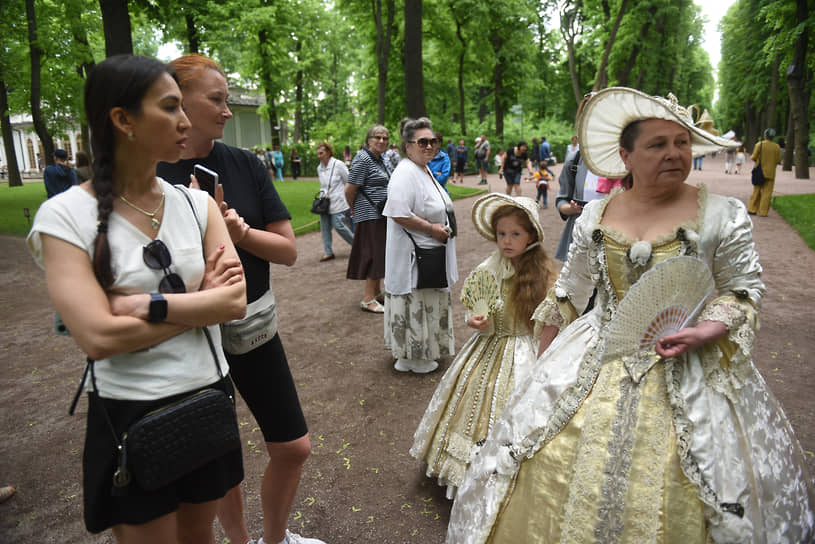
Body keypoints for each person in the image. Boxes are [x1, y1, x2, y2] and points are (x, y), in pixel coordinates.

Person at [447, 87, 814, 544]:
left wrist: (708, 327)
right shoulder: (595, 216)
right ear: (626, 156)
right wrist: (539, 371)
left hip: (690, 361)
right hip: (596, 353)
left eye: (682, 142)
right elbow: (567, 295)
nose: (674, 153)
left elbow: (744, 290)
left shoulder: (721, 214)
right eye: (658, 145)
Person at [26, 54, 247, 543]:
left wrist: (151, 306)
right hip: (132, 413)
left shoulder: (198, 203)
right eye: (170, 107)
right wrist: (201, 302)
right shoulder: (65, 218)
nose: (185, 120)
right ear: (123, 120)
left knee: (200, 538)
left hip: (207, 396)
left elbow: (234, 303)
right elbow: (100, 336)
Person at [156, 54, 323, 544]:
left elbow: (289, 251)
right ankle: (241, 541)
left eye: (227, 100)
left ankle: (274, 540)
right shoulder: (152, 173)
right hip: (191, 338)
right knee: (219, 458)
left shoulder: (243, 164)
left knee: (294, 447)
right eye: (217, 99)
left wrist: (239, 231)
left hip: (252, 327)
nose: (227, 111)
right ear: (178, 99)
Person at [410, 193, 554, 497]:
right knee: (475, 398)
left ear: (530, 235)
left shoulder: (543, 275)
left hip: (525, 350)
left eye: (515, 233)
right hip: (488, 347)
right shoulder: (489, 268)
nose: (507, 240)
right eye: (502, 233)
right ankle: (467, 472)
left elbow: (550, 320)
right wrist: (472, 320)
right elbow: (474, 308)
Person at [383, 117, 457, 374]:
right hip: (415, 256)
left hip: (429, 251)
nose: (429, 146)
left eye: (433, 141)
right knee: (416, 299)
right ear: (408, 146)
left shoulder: (423, 169)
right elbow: (398, 212)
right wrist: (431, 228)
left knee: (424, 299)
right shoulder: (405, 173)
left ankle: (419, 352)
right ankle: (414, 356)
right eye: (422, 142)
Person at [346, 124, 392, 314]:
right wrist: (354, 209)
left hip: (382, 213)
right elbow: (349, 190)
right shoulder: (363, 159)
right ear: (368, 140)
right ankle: (368, 298)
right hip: (370, 214)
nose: (381, 141)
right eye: (377, 137)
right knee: (374, 254)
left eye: (385, 138)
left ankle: (378, 292)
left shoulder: (381, 159)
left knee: (381, 253)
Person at [316, 141, 353, 262]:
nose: (319, 156)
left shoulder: (339, 164)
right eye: (318, 154)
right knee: (325, 227)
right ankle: (328, 252)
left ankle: (356, 245)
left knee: (339, 225)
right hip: (324, 202)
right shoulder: (319, 168)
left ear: (328, 152)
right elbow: (323, 186)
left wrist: (348, 197)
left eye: (321, 153)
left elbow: (348, 181)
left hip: (338, 201)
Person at [747, 129, 783, 217]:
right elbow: (778, 160)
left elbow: (753, 157)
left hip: (759, 172)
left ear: (765, 136)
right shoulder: (777, 147)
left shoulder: (759, 145)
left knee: (756, 190)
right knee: (767, 193)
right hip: (771, 173)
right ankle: (763, 212)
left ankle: (752, 209)